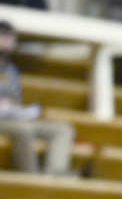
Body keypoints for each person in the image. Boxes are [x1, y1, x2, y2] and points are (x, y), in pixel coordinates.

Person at [0, 22, 74, 174]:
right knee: (24, 130)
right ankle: (32, 179)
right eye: (3, 36)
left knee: (63, 129)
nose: (6, 41)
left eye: (9, 37)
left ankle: (54, 176)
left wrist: (24, 111)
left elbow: (14, 101)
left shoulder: (12, 70)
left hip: (12, 117)